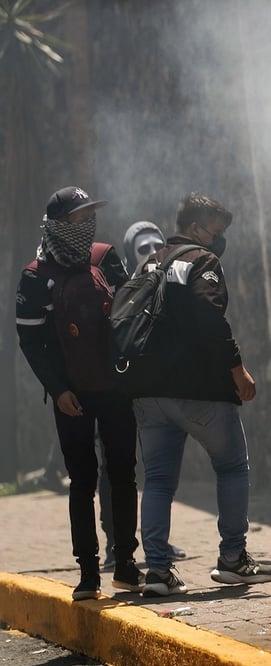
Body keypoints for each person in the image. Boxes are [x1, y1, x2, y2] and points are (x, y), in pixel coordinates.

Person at [133, 192, 271, 596]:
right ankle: (233, 559)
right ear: (194, 228)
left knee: (158, 480)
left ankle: (158, 571)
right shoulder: (202, 261)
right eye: (215, 231)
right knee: (232, 467)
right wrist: (237, 369)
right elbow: (210, 318)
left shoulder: (150, 262)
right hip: (200, 390)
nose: (219, 240)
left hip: (148, 392)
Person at [15, 186, 144, 600]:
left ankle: (124, 562)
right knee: (82, 480)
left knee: (124, 473)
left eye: (90, 216)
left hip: (115, 388)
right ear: (56, 224)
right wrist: (58, 390)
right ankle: (88, 573)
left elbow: (128, 317)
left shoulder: (105, 257)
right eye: (77, 218)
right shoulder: (35, 276)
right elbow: (31, 341)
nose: (86, 224)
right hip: (71, 396)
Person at [92, 221, 188, 571]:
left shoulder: (170, 288)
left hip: (155, 395)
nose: (150, 254)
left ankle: (155, 541)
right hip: (118, 395)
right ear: (131, 254)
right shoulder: (120, 290)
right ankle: (116, 543)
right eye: (142, 248)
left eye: (156, 246)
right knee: (116, 470)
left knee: (158, 471)